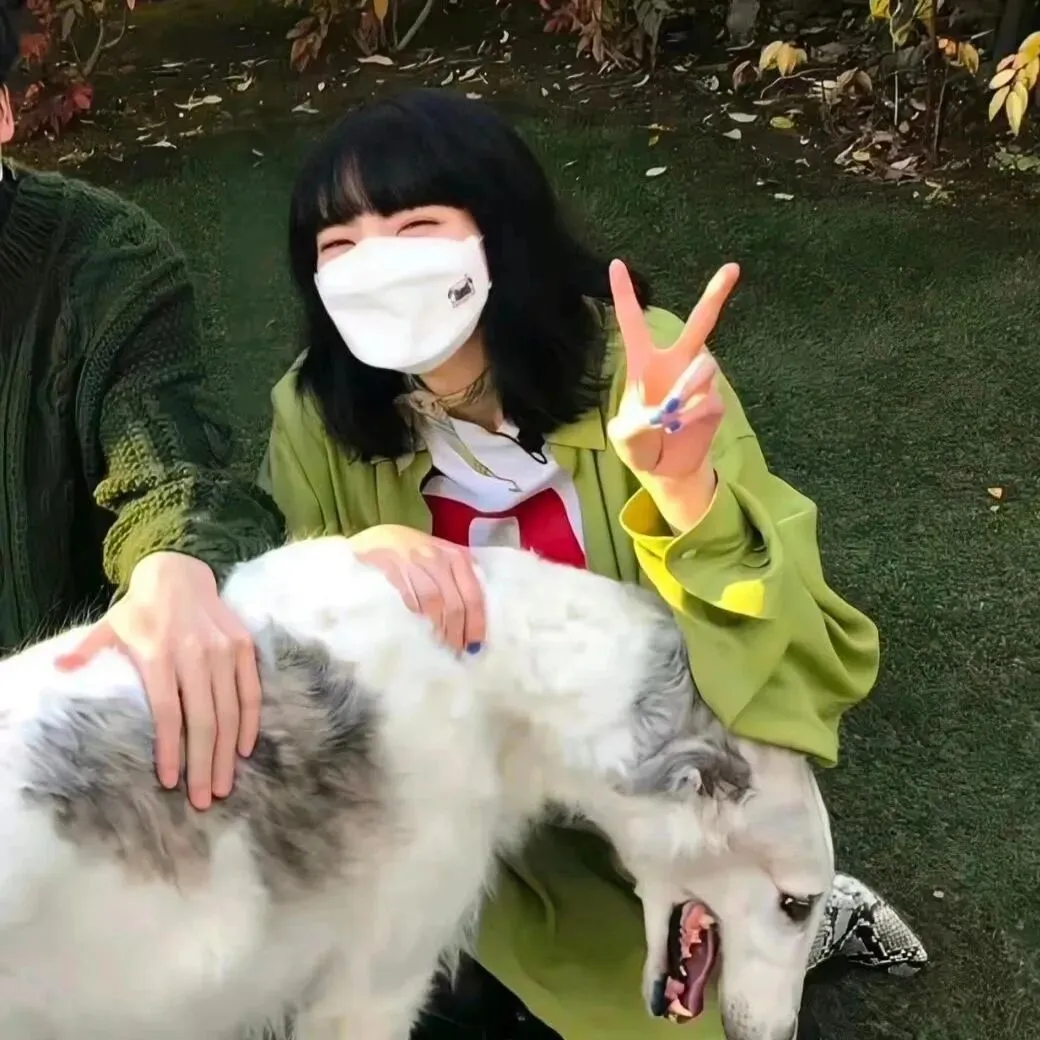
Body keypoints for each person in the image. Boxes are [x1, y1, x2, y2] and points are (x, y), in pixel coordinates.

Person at [260, 89, 928, 1040]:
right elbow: (294, 654)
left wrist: (685, 489)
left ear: (496, 232)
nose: (377, 267)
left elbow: (796, 643)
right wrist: (348, 562)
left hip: (651, 775)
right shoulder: (314, 412)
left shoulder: (638, 375)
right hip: (476, 794)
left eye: (414, 228)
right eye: (340, 245)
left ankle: (798, 909)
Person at [0, 0, 282, 811]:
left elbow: (168, 469)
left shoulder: (108, 263)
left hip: (73, 769)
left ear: (5, 112)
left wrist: (175, 567)